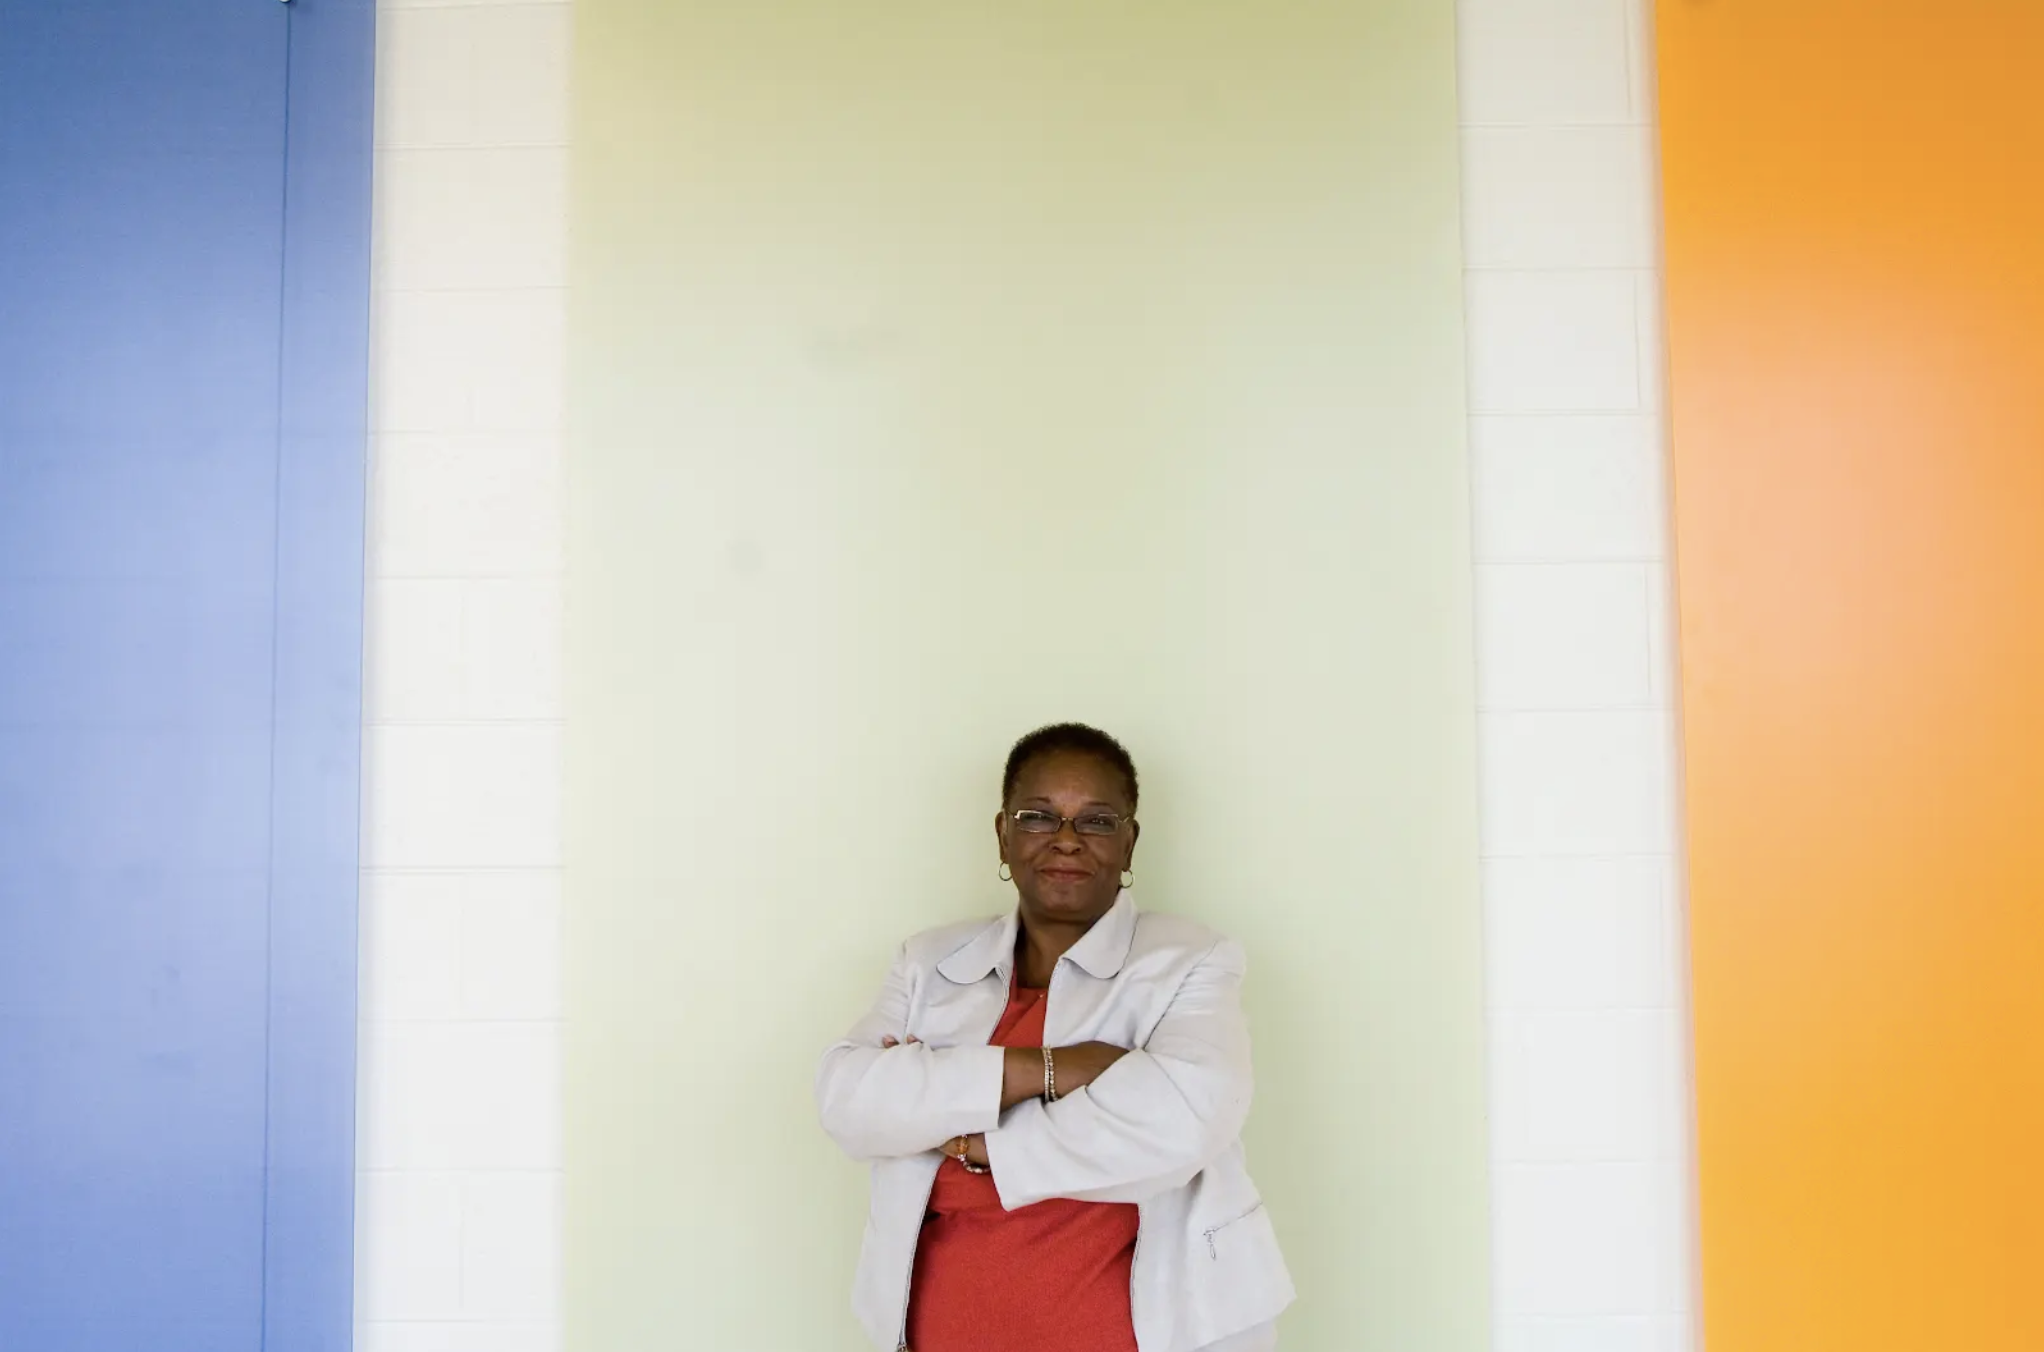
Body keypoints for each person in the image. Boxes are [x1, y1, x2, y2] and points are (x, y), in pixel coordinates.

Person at [816, 723, 1293, 1352]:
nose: (1066, 841)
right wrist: (1050, 1071)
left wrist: (968, 1144)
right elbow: (850, 1102)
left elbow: (1186, 1119)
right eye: (1039, 817)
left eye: (1096, 821)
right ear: (1003, 834)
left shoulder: (1189, 959)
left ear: (1129, 843)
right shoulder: (929, 962)